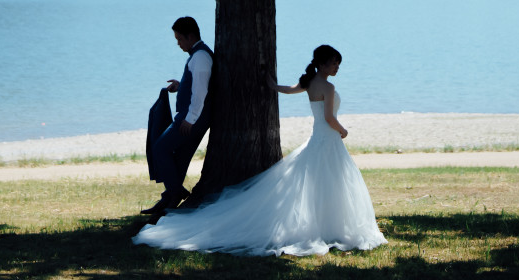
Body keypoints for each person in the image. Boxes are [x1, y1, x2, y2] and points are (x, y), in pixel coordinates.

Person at [132, 44, 387, 256]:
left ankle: (325, 225)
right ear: (322, 64)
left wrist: (271, 84)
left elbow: (288, 90)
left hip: (318, 139)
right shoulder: (328, 88)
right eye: (334, 63)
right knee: (331, 181)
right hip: (328, 139)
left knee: (322, 181)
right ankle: (331, 225)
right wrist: (343, 130)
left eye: (338, 63)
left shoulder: (310, 83)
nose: (337, 67)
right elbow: (330, 117)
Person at [140, 16, 215, 216]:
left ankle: (176, 191)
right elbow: (198, 86)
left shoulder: (200, 57)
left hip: (191, 119)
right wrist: (181, 86)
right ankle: (169, 200)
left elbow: (201, 91)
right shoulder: (198, 55)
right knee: (180, 159)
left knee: (160, 149)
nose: (178, 44)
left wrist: (189, 119)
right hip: (193, 117)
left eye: (180, 39)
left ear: (191, 36)